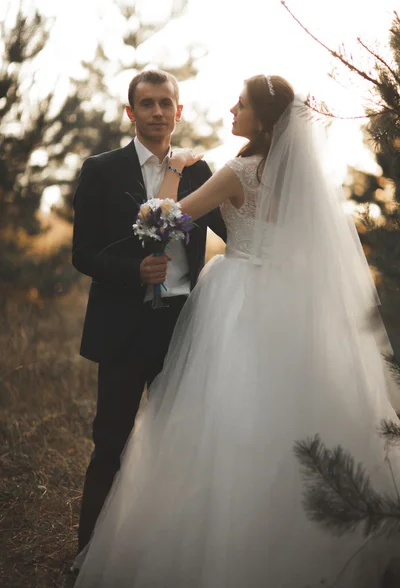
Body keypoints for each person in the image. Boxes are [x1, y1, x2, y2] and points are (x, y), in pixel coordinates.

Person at [74, 75, 400, 587]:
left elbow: (163, 222)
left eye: (241, 104)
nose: (232, 108)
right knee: (275, 426)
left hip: (233, 304)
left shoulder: (235, 170)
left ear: (263, 120)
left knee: (216, 428)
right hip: (277, 303)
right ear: (131, 110)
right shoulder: (294, 177)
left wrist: (175, 175)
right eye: (147, 103)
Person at [71, 69, 226, 555]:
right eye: (147, 104)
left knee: (176, 445)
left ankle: (164, 556)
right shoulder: (101, 170)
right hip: (120, 327)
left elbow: (236, 228)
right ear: (130, 112)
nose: (157, 113)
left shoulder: (201, 170)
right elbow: (83, 252)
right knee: (110, 442)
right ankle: (88, 553)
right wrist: (132, 270)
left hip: (182, 327)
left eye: (166, 104)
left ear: (179, 112)